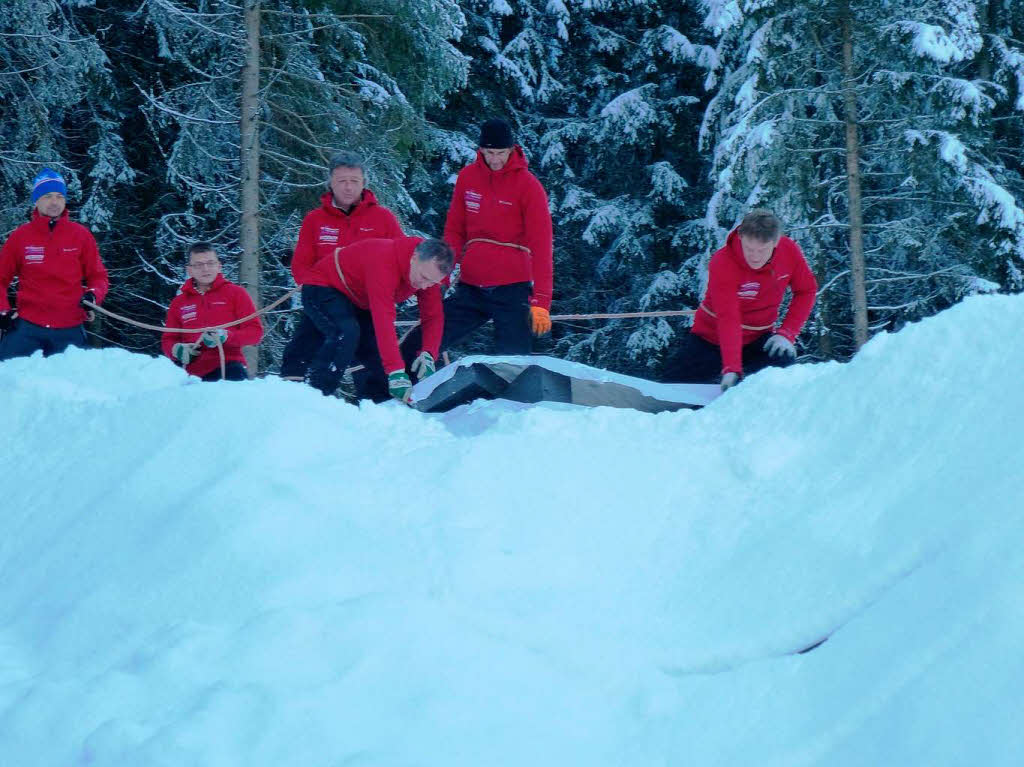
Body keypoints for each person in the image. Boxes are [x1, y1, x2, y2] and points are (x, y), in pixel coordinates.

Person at [400, 118, 553, 374]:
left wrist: (542, 302)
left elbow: (542, 246)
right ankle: (396, 397)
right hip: (471, 287)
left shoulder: (529, 186)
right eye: (489, 153)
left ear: (512, 150)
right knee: (423, 341)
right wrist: (441, 277)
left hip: (512, 289)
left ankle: (515, 412)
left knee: (514, 363)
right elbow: (454, 232)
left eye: (501, 153)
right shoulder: (468, 178)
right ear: (480, 150)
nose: (495, 159)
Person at [280, 151, 403, 389]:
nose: (348, 187)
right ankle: (298, 395)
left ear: (364, 183)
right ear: (330, 183)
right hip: (326, 298)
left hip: (366, 301)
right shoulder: (315, 220)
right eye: (342, 181)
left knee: (372, 354)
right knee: (304, 347)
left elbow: (402, 258)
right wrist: (318, 292)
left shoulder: (383, 218)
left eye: (354, 181)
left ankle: (379, 409)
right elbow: (301, 265)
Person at [664, 209, 817, 391]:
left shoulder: (789, 251)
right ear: (740, 237)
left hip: (759, 339)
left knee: (782, 365)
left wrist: (787, 333)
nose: (755, 256)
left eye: (762, 250)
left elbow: (806, 290)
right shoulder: (723, 262)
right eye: (749, 249)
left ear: (776, 243)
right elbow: (729, 317)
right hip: (712, 339)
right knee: (672, 387)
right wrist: (732, 367)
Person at [301, 236, 453, 400]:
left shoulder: (427, 272)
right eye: (423, 278)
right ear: (414, 257)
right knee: (346, 333)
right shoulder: (384, 261)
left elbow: (433, 316)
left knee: (379, 361)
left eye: (432, 283)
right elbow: (384, 319)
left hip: (358, 302)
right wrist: (396, 371)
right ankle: (316, 395)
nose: (424, 286)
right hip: (323, 286)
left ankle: (385, 408)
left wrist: (429, 353)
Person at [0, 168, 109, 360]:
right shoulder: (20, 237)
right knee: (9, 382)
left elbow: (98, 277)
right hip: (27, 327)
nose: (54, 202)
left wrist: (93, 296)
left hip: (70, 328)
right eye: (48, 196)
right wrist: (3, 311)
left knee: (74, 386)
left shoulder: (81, 235)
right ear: (37, 200)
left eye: (59, 196)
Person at [161, 243, 264, 381]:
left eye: (210, 263)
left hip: (229, 367)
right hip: (190, 374)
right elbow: (168, 340)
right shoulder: (179, 303)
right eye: (198, 265)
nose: (205, 269)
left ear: (219, 266)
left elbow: (255, 333)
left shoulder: (236, 293)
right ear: (189, 270)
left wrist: (226, 337)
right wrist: (177, 350)